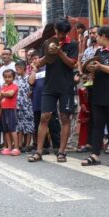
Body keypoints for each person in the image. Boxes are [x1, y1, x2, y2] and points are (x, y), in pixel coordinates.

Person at [32, 18, 78, 163]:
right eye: (59, 33)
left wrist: (59, 52)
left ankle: (62, 152)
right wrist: (48, 54)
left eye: (64, 34)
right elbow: (39, 63)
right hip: (49, 86)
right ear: (56, 31)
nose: (61, 36)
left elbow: (72, 64)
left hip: (66, 86)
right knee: (44, 117)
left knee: (65, 118)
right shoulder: (47, 43)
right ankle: (38, 151)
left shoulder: (73, 44)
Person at [81, 26, 109, 167]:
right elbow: (94, 69)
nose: (96, 38)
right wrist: (91, 72)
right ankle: (95, 155)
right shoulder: (99, 52)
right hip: (99, 94)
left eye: (98, 36)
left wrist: (100, 67)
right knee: (98, 125)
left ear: (105, 36)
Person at [0, 69, 20, 156]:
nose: (7, 79)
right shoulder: (4, 86)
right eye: (5, 77)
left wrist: (3, 93)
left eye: (9, 77)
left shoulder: (14, 86)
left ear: (13, 77)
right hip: (4, 109)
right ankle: (9, 147)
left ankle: (16, 148)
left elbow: (11, 94)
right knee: (6, 129)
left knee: (12, 128)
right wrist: (3, 93)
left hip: (11, 109)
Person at [14, 60, 34, 152]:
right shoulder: (17, 79)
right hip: (18, 105)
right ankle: (20, 144)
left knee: (29, 124)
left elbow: (32, 89)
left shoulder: (28, 78)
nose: (16, 70)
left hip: (28, 105)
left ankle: (28, 144)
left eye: (17, 69)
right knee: (20, 124)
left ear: (22, 68)